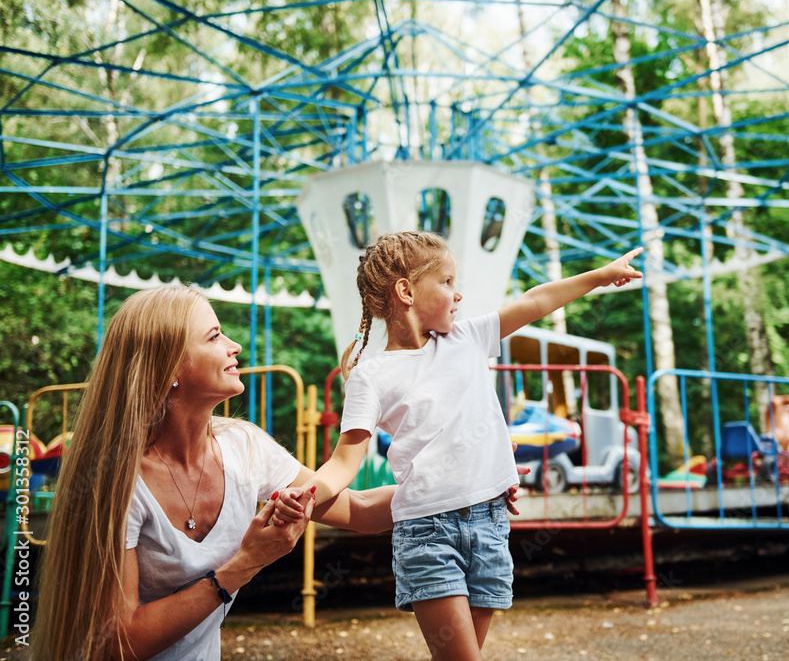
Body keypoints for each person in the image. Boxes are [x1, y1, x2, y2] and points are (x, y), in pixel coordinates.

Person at [276, 231, 642, 660]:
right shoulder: (371, 376)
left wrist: (599, 276)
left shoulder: (467, 338)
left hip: (490, 525)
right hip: (428, 533)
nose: (459, 294)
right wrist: (306, 495)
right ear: (406, 291)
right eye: (447, 282)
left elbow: (535, 301)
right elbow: (343, 463)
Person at [34, 286, 396, 661]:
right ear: (169, 367)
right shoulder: (114, 481)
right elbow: (118, 644)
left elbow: (362, 511)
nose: (234, 345)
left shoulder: (244, 447)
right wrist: (246, 563)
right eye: (214, 336)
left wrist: (447, 485)